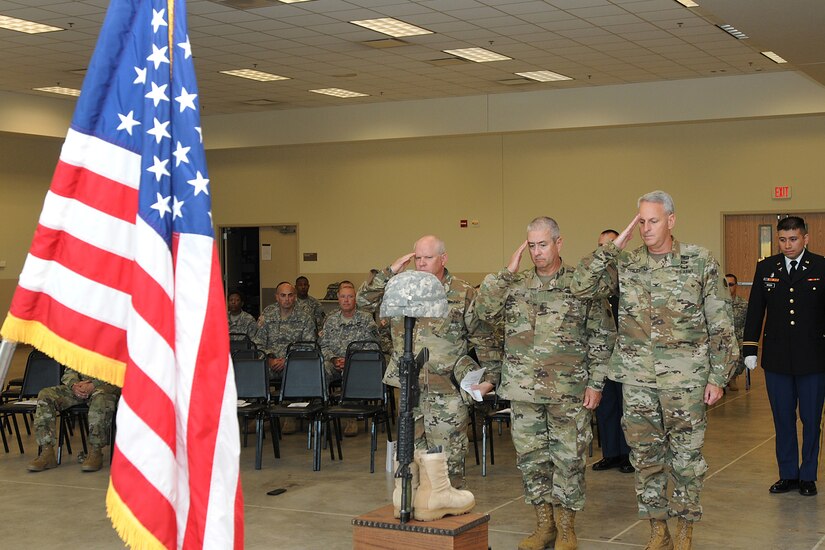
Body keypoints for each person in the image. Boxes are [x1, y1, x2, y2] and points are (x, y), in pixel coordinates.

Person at [571, 191, 737, 550]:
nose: (646, 228)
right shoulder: (627, 264)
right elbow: (580, 286)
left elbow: (720, 322)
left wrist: (718, 376)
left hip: (687, 381)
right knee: (646, 458)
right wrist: (614, 247)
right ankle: (657, 530)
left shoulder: (698, 261)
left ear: (671, 220)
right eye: (641, 221)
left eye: (653, 220)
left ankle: (684, 530)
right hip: (639, 381)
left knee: (687, 461)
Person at [474, 217, 615, 550]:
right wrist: (506, 273)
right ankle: (545, 526)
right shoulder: (516, 285)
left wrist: (596, 383)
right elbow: (481, 312)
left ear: (558, 243)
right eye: (532, 245)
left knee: (569, 460)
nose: (537, 252)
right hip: (523, 392)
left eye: (543, 244)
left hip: (569, 392)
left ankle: (567, 529)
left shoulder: (581, 286)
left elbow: (602, 335)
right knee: (532, 460)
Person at [357, 235, 480, 488]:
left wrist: (489, 379)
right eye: (418, 258)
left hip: (447, 391)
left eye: (429, 257)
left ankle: (447, 513)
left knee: (447, 460)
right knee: (410, 458)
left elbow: (483, 335)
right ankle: (415, 513)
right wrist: (390, 272)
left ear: (443, 259)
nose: (421, 263)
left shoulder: (462, 291)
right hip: (409, 390)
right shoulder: (400, 288)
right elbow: (363, 301)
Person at [742, 216, 825, 497]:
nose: (787, 245)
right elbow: (755, 310)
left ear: (805, 238)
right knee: (782, 418)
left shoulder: (821, 267)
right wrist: (750, 348)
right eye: (782, 239)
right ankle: (788, 474)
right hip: (777, 358)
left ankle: (808, 475)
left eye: (793, 239)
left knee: (811, 419)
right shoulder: (767, 268)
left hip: (813, 358)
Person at [591, 229, 632, 474]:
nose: (603, 251)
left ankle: (628, 455)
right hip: (603, 354)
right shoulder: (596, 280)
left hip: (627, 355)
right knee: (606, 405)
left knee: (627, 406)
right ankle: (611, 453)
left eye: (608, 245)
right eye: (600, 246)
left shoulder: (629, 276)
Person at [27, 369, 120, 473]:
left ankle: (95, 452)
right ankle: (47, 452)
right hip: (79, 388)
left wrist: (94, 384)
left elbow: (119, 369)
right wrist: (74, 385)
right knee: (45, 395)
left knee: (101, 398)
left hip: (106, 385)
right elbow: (70, 368)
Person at [318, 281, 379, 436]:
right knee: (319, 369)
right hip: (334, 363)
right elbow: (322, 346)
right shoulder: (331, 320)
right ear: (338, 298)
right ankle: (321, 413)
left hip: (356, 364)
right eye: (343, 296)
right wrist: (333, 359)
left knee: (353, 371)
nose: (346, 300)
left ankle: (351, 416)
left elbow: (373, 347)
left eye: (350, 297)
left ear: (355, 299)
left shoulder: (366, 319)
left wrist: (351, 360)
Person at [253, 281, 316, 434]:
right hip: (270, 364)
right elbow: (257, 343)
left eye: (290, 295)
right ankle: (260, 416)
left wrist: (287, 361)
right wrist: (269, 359)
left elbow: (309, 346)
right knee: (251, 371)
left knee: (301, 371)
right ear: (277, 297)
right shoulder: (267, 316)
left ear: (295, 297)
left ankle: (290, 416)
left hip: (294, 365)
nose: (287, 299)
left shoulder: (305, 318)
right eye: (283, 295)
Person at [724, 273, 748, 391]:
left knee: (745, 348)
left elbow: (749, 325)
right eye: (725, 284)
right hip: (721, 336)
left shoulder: (744, 304)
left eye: (731, 284)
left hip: (738, 336)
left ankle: (733, 377)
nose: (728, 287)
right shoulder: (716, 304)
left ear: (736, 286)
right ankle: (721, 379)